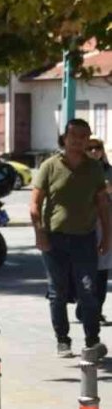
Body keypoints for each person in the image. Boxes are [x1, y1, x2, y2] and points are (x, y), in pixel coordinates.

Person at [31, 118, 110, 360]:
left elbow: (102, 205)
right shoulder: (50, 166)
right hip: (54, 240)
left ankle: (92, 339)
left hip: (85, 239)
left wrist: (107, 236)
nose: (78, 141)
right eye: (74, 136)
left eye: (84, 136)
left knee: (88, 289)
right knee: (58, 291)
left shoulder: (94, 168)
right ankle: (62, 339)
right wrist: (40, 233)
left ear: (88, 139)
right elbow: (35, 203)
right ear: (65, 138)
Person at [86, 137, 112, 323]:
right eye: (91, 148)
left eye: (98, 148)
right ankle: (84, 305)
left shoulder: (108, 171)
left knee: (102, 270)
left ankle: (97, 309)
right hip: (83, 224)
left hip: (105, 223)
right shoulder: (80, 171)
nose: (95, 151)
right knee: (83, 268)